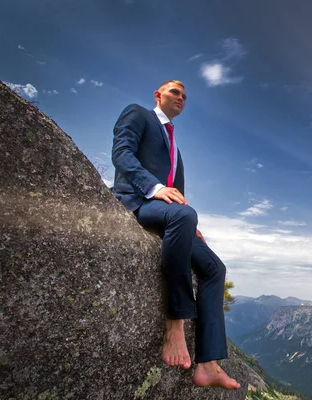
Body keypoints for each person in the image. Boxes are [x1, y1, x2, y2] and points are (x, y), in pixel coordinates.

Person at [111, 80, 240, 390]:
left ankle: (208, 365)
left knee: (214, 268)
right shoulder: (138, 114)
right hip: (138, 201)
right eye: (174, 92)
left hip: (171, 213)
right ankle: (175, 324)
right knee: (184, 215)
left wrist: (189, 223)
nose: (181, 98)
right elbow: (122, 154)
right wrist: (154, 188)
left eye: (184, 95)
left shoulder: (175, 146)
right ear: (158, 95)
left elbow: (177, 192)